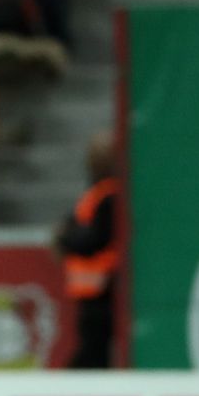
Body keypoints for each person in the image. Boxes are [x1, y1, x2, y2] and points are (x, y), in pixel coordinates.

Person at [55, 132, 118, 368]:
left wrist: (65, 239)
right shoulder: (96, 193)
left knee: (94, 352)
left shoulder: (111, 195)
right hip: (89, 290)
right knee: (91, 348)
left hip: (104, 289)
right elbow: (74, 223)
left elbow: (95, 239)